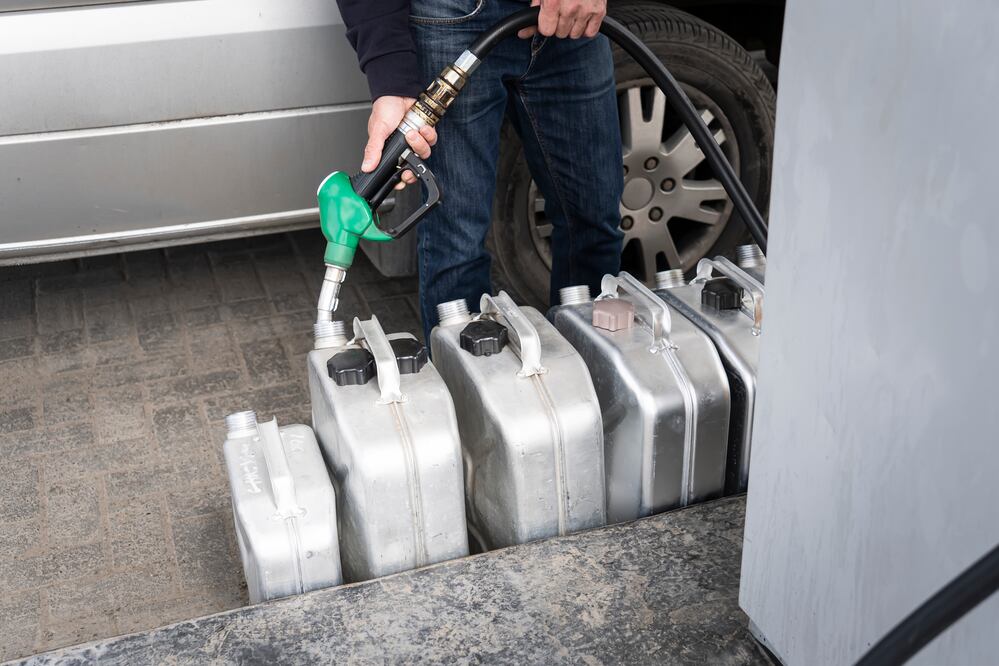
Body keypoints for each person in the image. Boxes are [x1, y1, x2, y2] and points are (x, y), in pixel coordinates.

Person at [336, 0, 623, 339]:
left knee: (593, 225)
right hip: (449, 15)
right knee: (456, 246)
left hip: (569, 16)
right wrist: (390, 78)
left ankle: (596, 372)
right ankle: (469, 388)